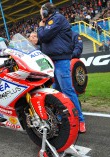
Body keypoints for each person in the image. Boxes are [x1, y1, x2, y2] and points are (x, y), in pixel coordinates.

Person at [37, 2, 86, 133]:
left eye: (41, 12)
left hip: (61, 60)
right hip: (53, 62)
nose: (40, 15)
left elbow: (42, 37)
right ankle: (59, 116)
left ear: (46, 12)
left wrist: (40, 26)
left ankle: (80, 120)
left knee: (68, 91)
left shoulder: (56, 19)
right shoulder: (51, 21)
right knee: (55, 91)